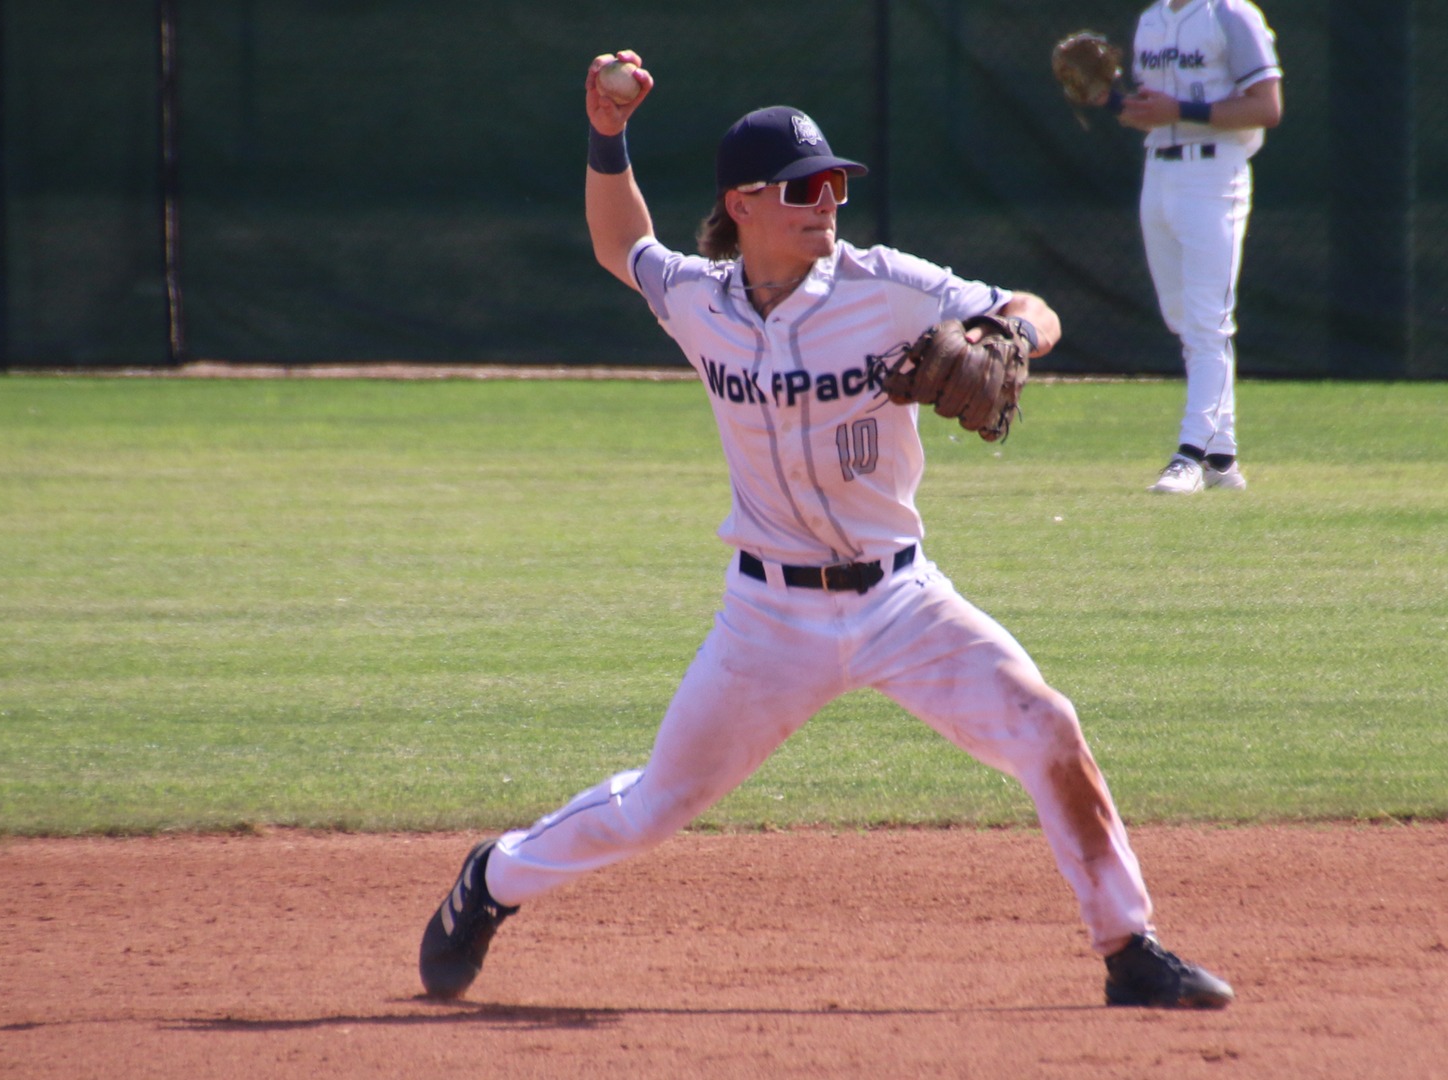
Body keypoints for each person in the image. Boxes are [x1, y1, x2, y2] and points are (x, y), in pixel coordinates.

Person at [415, 49, 1234, 1010]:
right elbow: (620, 243)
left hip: (902, 601)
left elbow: (1031, 307)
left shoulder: (884, 285)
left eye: (837, 183)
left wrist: (1008, 335)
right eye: (806, 186)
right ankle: (494, 877)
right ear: (744, 203)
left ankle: (1129, 948)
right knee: (651, 809)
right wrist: (607, 135)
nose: (829, 201)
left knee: (1046, 725)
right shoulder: (700, 300)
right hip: (767, 619)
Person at [1102, 0, 1283, 494]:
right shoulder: (1151, 20)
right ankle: (1222, 458)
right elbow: (1152, 111)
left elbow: (1267, 107)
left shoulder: (1229, 14)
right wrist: (1109, 100)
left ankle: (1190, 454)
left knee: (1208, 322)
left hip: (1214, 173)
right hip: (1159, 172)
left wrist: (1180, 111)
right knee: (1183, 318)